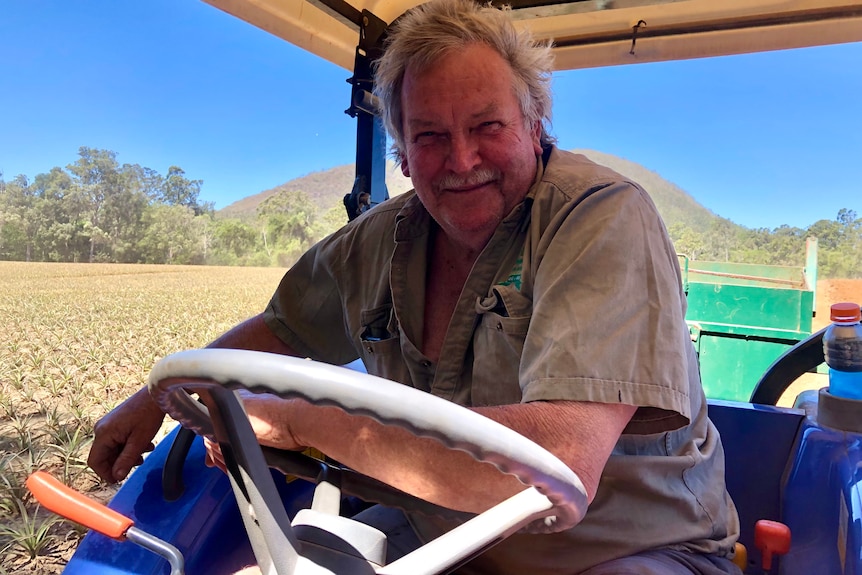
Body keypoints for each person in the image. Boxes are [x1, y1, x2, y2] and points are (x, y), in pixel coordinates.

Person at [88, 0, 741, 573]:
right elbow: (282, 332)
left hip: (631, 552)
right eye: (430, 136)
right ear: (401, 152)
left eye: (487, 126)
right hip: (449, 538)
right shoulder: (377, 241)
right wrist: (151, 398)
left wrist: (288, 418)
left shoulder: (598, 216)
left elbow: (556, 460)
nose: (461, 161)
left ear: (534, 123)